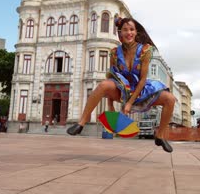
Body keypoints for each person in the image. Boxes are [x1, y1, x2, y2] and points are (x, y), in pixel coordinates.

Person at [67, 17, 175, 153]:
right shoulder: (114, 53)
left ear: (136, 32)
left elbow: (142, 79)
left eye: (131, 29)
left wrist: (129, 103)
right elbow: (113, 76)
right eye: (125, 30)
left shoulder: (145, 50)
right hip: (123, 88)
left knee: (170, 99)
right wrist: (110, 105)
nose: (128, 33)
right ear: (120, 32)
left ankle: (160, 135)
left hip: (141, 89)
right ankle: (81, 122)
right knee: (103, 85)